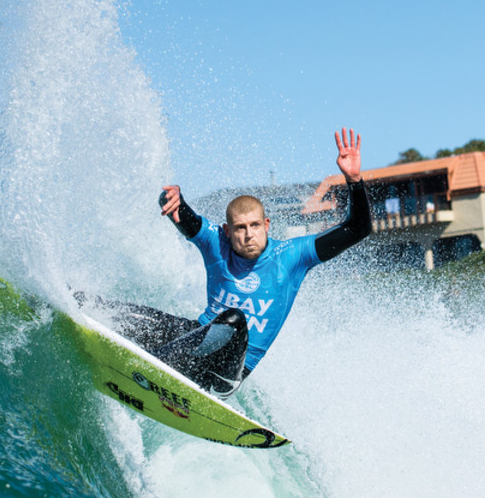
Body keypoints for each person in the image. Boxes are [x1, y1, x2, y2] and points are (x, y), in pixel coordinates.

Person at [97, 128, 371, 398]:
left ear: (266, 225)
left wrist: (355, 181)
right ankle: (78, 305)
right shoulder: (217, 243)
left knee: (234, 320)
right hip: (195, 342)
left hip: (227, 371)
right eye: (240, 228)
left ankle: (143, 372)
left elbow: (358, 228)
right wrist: (172, 197)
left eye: (254, 225)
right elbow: (182, 213)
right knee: (122, 316)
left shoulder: (293, 256)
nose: (249, 234)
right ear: (228, 232)